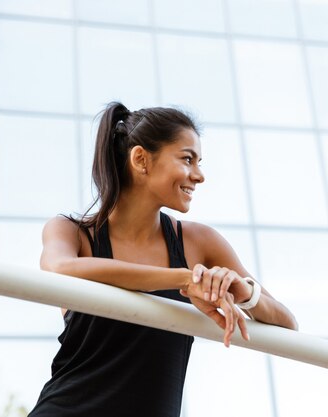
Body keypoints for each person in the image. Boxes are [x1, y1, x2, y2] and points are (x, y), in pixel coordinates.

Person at [27, 102, 298, 417]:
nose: (199, 176)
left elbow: (287, 324)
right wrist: (185, 279)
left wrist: (243, 291)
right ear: (141, 159)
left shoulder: (200, 242)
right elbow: (61, 270)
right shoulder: (72, 232)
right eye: (187, 159)